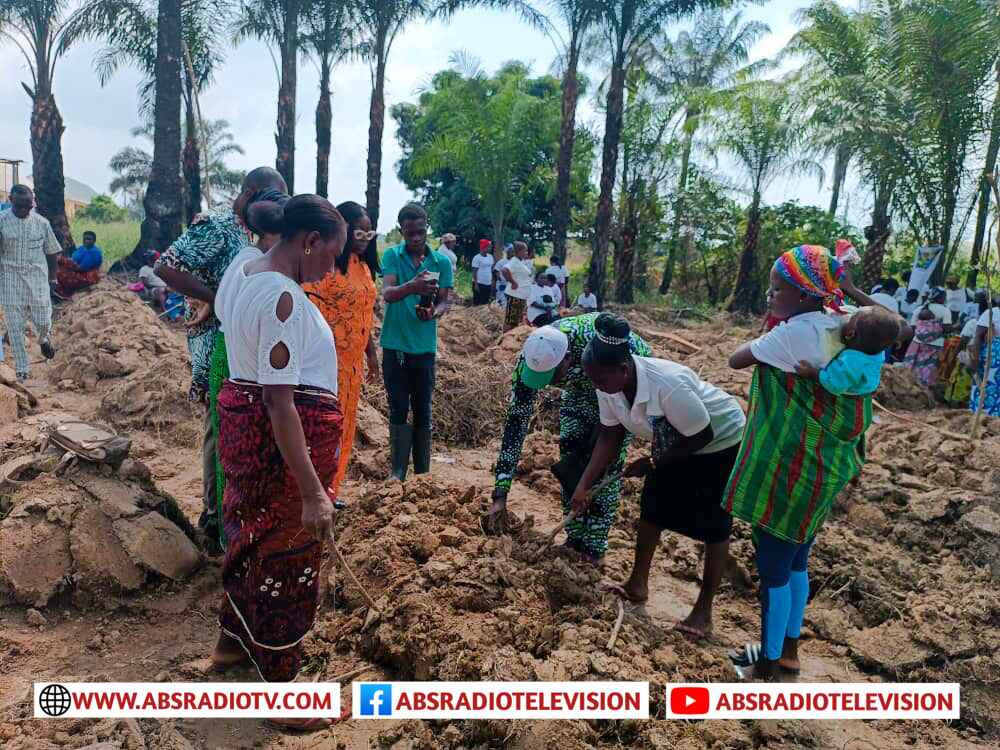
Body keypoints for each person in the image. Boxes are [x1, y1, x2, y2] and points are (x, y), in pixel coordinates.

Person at [212, 195, 346, 729]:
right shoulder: (282, 299)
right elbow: (279, 401)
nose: (330, 269)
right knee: (285, 554)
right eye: (330, 256)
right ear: (309, 242)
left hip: (251, 440)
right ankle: (282, 697)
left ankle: (232, 644)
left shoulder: (247, 274)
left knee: (249, 535)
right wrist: (314, 491)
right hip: (282, 450)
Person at [726, 245, 874, 680]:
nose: (771, 295)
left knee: (773, 569)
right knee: (796, 561)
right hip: (824, 467)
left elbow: (737, 359)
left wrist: (772, 328)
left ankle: (770, 663)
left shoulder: (793, 334)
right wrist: (849, 291)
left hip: (788, 465)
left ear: (807, 293)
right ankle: (789, 650)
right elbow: (896, 326)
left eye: (778, 289)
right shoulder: (847, 323)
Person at [581, 314, 747, 638]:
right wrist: (584, 485)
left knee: (715, 522)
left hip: (719, 439)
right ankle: (637, 583)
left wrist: (655, 462)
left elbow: (701, 435)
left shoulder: (665, 384)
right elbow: (609, 436)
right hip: (674, 440)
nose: (595, 386)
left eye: (599, 380)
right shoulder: (607, 383)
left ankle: (703, 613)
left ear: (624, 371)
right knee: (652, 506)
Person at [155, 166, 288, 548]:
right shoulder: (217, 225)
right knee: (221, 428)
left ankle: (227, 514)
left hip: (239, 342)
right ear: (249, 193)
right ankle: (215, 518)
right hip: (215, 341)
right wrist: (217, 298)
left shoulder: (251, 233)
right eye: (267, 199)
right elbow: (168, 266)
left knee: (234, 429)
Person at [485, 315, 652, 562]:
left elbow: (634, 388)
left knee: (604, 464)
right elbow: (516, 423)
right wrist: (501, 492)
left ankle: (594, 547)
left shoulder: (601, 349)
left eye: (552, 378)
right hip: (578, 394)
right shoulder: (533, 355)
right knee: (572, 459)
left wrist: (608, 432)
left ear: (567, 359)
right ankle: (574, 538)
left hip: (618, 387)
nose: (545, 386)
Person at [303, 202, 380, 510]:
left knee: (344, 427)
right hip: (323, 362)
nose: (364, 237)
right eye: (359, 231)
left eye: (370, 232)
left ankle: (331, 489)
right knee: (320, 426)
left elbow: (364, 314)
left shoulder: (363, 266)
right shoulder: (325, 266)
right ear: (343, 229)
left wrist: (372, 355)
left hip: (353, 365)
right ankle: (314, 490)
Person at [380, 203, 453, 480]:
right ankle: (398, 471)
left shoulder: (441, 262)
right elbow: (387, 293)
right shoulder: (391, 256)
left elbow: (445, 301)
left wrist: (432, 312)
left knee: (423, 408)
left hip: (423, 348)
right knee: (398, 406)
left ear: (426, 228)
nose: (415, 237)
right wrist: (413, 286)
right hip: (395, 346)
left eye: (420, 231)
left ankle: (423, 473)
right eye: (409, 232)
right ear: (402, 230)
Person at [0, 185, 59, 380]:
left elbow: (51, 252)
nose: (25, 210)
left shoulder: (42, 223)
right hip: (9, 277)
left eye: (28, 206)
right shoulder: (1, 221)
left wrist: (53, 277)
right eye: (20, 206)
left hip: (37, 277)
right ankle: (22, 369)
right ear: (10, 200)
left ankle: (43, 339)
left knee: (43, 319)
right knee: (15, 324)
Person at [795, 305, 902, 394]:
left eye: (851, 317)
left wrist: (813, 373)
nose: (848, 317)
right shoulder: (877, 350)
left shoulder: (851, 361)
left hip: (848, 398)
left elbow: (834, 384)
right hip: (866, 390)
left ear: (851, 334)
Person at [943, 292, 987, 407]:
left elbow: (962, 342)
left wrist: (953, 357)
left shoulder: (973, 323)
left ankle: (954, 407)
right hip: (984, 361)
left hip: (968, 359)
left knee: (959, 385)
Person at [903, 287, 953, 387]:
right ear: (941, 297)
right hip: (935, 345)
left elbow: (912, 327)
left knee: (912, 366)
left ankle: (908, 386)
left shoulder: (919, 309)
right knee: (928, 370)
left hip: (916, 343)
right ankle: (924, 389)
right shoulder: (945, 311)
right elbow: (947, 329)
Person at [969, 299, 1000, 417]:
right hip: (991, 360)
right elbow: (977, 339)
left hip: (992, 359)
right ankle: (983, 420)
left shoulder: (991, 313)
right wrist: (974, 361)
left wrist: (974, 361)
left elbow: (977, 338)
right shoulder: (992, 313)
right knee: (985, 388)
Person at [54, 230, 103, 297]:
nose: (86, 241)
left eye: (89, 239)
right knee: (56, 269)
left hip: (87, 275)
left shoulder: (94, 252)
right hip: (77, 270)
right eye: (85, 239)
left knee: (60, 273)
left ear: (94, 241)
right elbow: (72, 259)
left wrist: (64, 262)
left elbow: (82, 268)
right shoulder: (82, 248)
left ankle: (64, 294)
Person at [500, 241, 533, 330]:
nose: (526, 253)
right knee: (510, 320)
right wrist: (513, 282)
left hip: (521, 296)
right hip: (515, 295)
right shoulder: (514, 261)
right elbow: (504, 270)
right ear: (518, 251)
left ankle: (511, 339)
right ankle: (505, 339)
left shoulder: (520, 262)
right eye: (525, 251)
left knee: (516, 320)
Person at [471, 239, 495, 306]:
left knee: (485, 302)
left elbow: (491, 270)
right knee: (477, 302)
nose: (490, 248)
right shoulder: (477, 258)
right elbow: (474, 272)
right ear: (484, 247)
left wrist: (492, 281)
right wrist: (476, 284)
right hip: (479, 283)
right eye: (488, 246)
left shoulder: (490, 257)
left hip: (488, 283)